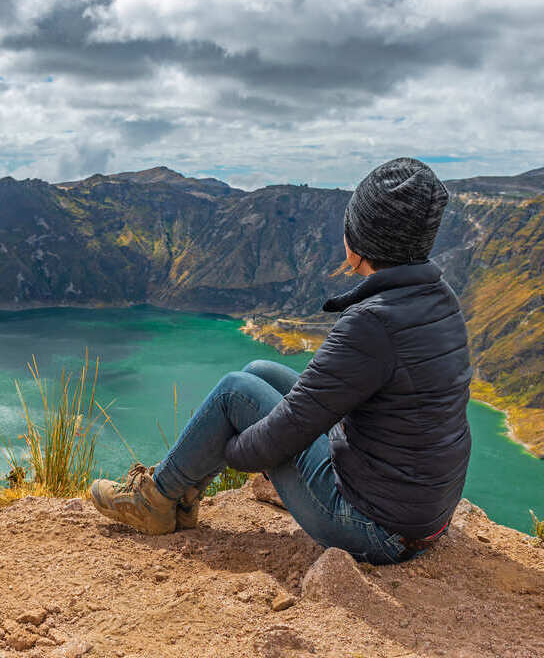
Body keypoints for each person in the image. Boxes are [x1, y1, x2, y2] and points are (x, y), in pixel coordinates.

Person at [90, 157, 472, 565]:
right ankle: (180, 498)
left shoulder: (371, 322)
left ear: (360, 235)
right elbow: (321, 405)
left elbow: (284, 433)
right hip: (423, 515)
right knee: (260, 372)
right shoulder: (436, 297)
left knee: (234, 393)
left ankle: (154, 501)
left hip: (375, 529)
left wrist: (232, 446)